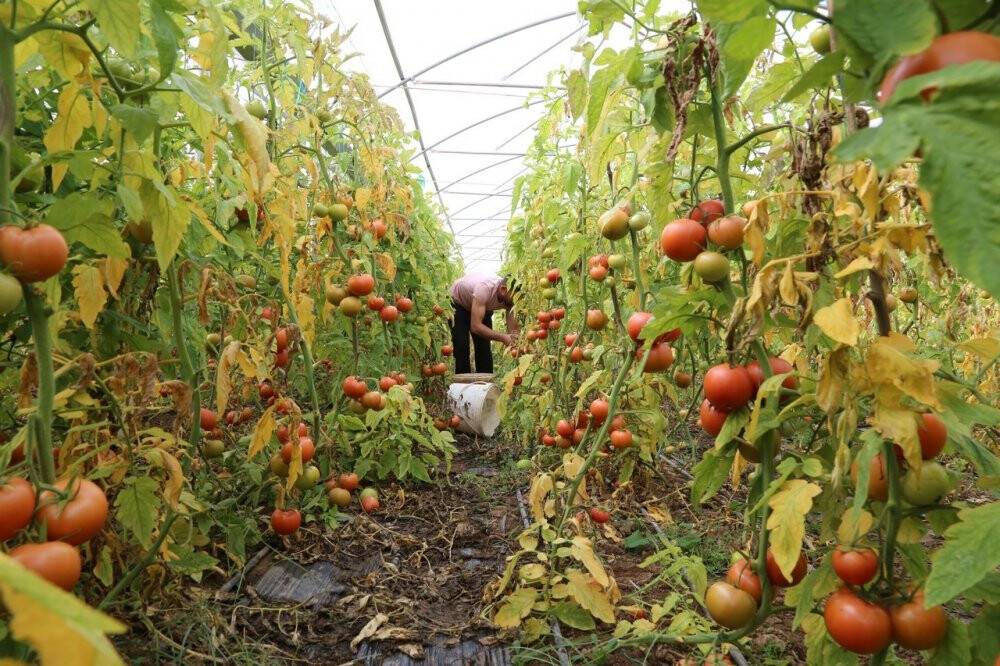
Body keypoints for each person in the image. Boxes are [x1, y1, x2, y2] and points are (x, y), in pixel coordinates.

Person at [449, 272, 520, 374]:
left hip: (482, 306)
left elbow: (513, 331)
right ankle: (462, 385)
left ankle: (485, 385)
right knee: (461, 345)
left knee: (484, 348)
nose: (516, 300)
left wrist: (516, 342)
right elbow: (475, 326)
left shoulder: (510, 298)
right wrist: (504, 338)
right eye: (515, 297)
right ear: (503, 289)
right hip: (458, 304)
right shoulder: (484, 289)